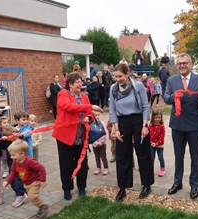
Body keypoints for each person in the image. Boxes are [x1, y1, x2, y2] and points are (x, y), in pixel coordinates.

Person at [164, 53, 198, 200]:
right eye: (179, 63)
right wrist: (176, 96)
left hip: (194, 125)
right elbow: (166, 98)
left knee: (195, 157)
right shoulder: (171, 80)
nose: (182, 66)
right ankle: (177, 182)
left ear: (191, 64)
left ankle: (194, 185)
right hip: (177, 124)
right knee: (179, 157)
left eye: (185, 63)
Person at [52, 72, 103, 200]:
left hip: (81, 137)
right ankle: (67, 188)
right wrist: (90, 106)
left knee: (82, 164)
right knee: (66, 164)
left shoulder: (84, 97)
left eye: (81, 82)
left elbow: (90, 114)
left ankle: (81, 187)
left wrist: (88, 117)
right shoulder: (63, 94)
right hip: (65, 137)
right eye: (78, 82)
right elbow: (68, 106)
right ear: (70, 84)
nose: (81, 84)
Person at [109, 63, 154, 201]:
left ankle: (146, 184)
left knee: (143, 154)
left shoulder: (138, 86)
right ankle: (122, 187)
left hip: (138, 120)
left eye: (120, 76)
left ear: (127, 74)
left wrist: (145, 125)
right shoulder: (113, 88)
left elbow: (146, 107)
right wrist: (115, 130)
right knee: (122, 156)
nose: (118, 79)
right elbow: (112, 110)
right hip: (122, 123)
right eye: (115, 76)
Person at [3, 139, 48, 218]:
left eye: (13, 155)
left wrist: (42, 180)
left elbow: (41, 168)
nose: (11, 157)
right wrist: (7, 181)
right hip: (26, 183)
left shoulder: (30, 161)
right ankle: (41, 206)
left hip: (35, 181)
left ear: (22, 154)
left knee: (32, 196)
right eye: (11, 155)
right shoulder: (15, 162)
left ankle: (43, 206)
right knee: (32, 198)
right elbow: (13, 172)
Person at [149, 109, 166, 177]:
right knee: (151, 157)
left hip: (159, 145)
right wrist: (151, 142)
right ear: (153, 117)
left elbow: (162, 136)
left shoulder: (161, 126)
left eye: (159, 117)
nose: (157, 119)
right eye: (156, 117)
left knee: (160, 157)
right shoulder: (150, 126)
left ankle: (162, 169)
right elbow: (149, 135)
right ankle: (151, 169)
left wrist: (157, 143)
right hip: (151, 145)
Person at [91, 111, 108, 176]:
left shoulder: (102, 123)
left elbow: (104, 133)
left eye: (98, 115)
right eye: (95, 115)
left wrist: (100, 142)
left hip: (102, 144)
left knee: (103, 156)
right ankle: (98, 167)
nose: (97, 117)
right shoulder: (91, 124)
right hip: (94, 144)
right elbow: (91, 134)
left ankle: (106, 168)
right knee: (97, 156)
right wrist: (95, 142)